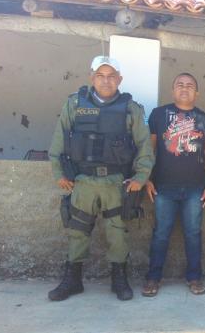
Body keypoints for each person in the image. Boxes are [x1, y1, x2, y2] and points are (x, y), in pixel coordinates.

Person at [48, 56, 154, 301]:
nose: (106, 81)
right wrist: (59, 173)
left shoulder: (131, 109)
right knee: (78, 231)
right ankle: (72, 280)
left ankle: (119, 279)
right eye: (100, 75)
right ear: (91, 77)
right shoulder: (74, 104)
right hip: (82, 181)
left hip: (116, 182)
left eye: (111, 76)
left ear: (120, 79)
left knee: (117, 232)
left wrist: (140, 177)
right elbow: (59, 139)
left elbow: (144, 146)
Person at [141, 73, 205, 297]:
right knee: (160, 234)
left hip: (196, 188)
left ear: (197, 92)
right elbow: (149, 149)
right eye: (180, 85)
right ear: (173, 90)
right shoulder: (158, 114)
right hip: (163, 187)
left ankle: (194, 278)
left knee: (193, 233)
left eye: (190, 85)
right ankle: (153, 278)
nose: (185, 88)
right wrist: (145, 177)